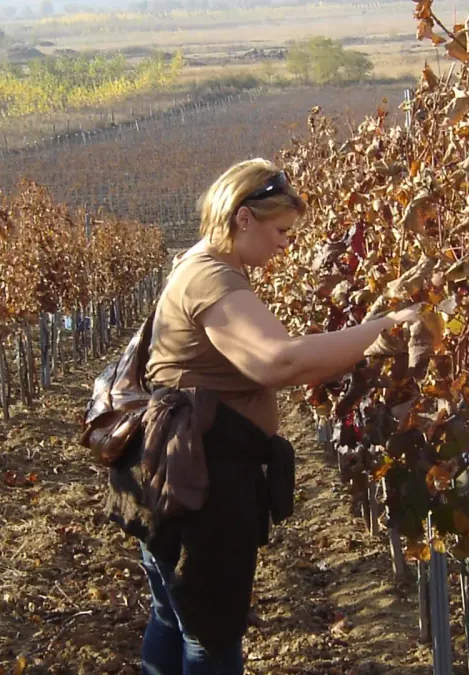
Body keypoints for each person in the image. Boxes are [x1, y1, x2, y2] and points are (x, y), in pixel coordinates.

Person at [134, 158, 420, 675]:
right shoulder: (210, 277)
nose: (287, 244)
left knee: (177, 618)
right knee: (210, 632)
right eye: (281, 231)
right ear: (244, 219)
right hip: (203, 482)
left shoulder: (207, 265)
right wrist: (387, 328)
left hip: (183, 472)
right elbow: (277, 360)